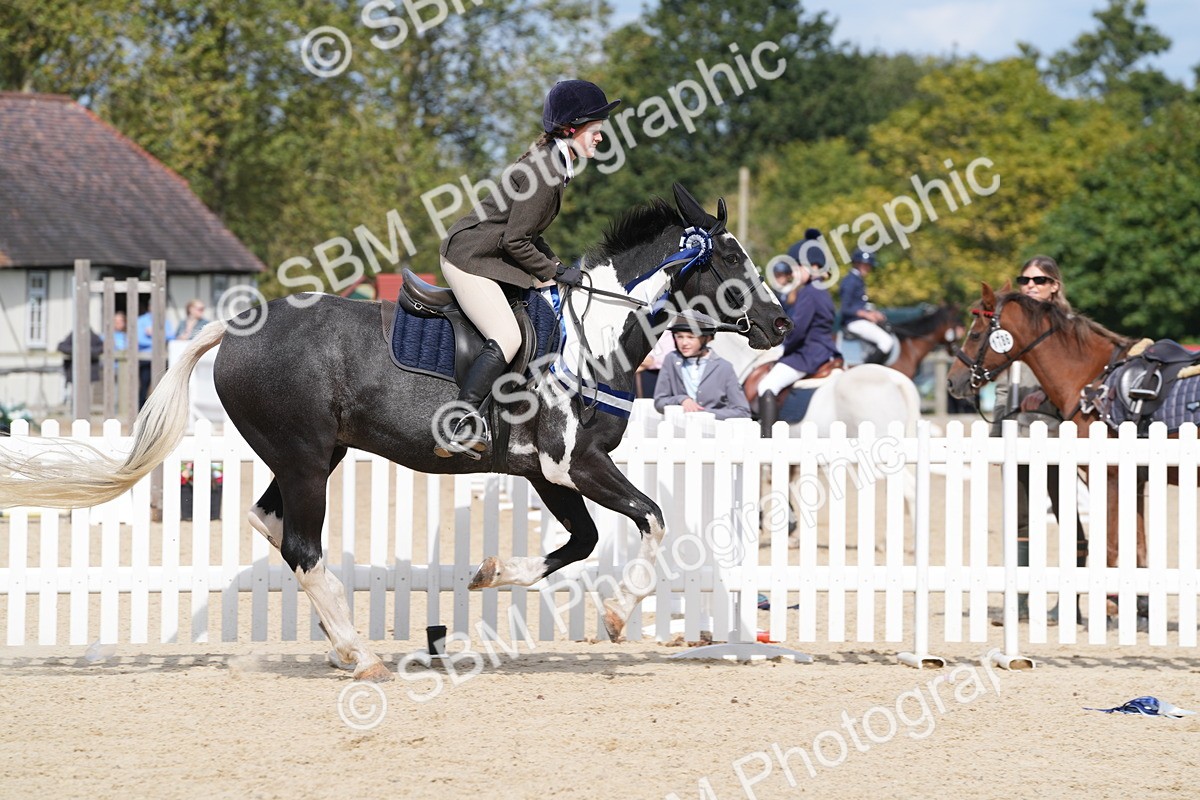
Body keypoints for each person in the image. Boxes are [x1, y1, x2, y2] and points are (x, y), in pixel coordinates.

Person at [434, 79, 620, 458]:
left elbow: (528, 234)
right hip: (470, 258)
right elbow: (515, 241)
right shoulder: (545, 172)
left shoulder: (554, 165)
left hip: (488, 255)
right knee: (507, 335)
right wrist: (553, 271)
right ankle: (459, 421)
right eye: (596, 130)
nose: (601, 138)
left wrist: (557, 266)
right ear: (571, 128)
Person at [992, 255, 1088, 621]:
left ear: (1054, 286)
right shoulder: (1008, 329)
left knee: (1067, 516)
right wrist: (997, 435)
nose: (1030, 285)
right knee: (1019, 519)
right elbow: (1003, 388)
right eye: (1025, 280)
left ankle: (1070, 602)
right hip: (1016, 434)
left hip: (1055, 434)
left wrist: (1047, 400)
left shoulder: (1071, 327)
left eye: (1039, 280)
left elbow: (1082, 382)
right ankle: (1018, 601)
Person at [754, 249, 840, 434]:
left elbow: (798, 329)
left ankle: (767, 443)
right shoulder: (822, 290)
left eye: (797, 267)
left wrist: (783, 346)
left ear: (813, 267)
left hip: (807, 354)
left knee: (766, 386)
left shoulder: (808, 292)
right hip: (825, 351)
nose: (794, 273)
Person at [654, 320, 751, 420]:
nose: (684, 343)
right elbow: (659, 402)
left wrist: (704, 413)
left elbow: (743, 411)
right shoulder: (671, 359)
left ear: (707, 338)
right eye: (679, 337)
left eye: (691, 337)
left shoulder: (725, 367)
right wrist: (681, 399)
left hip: (713, 430)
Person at [840, 247, 893, 364]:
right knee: (886, 341)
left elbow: (860, 304)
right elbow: (845, 308)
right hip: (854, 322)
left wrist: (873, 313)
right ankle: (868, 369)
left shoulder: (858, 280)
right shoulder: (850, 281)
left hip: (860, 321)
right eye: (866, 265)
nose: (868, 268)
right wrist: (866, 315)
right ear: (857, 264)